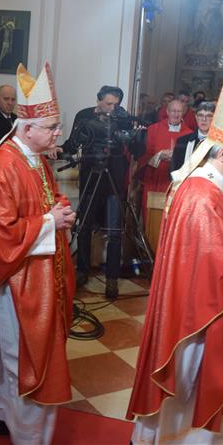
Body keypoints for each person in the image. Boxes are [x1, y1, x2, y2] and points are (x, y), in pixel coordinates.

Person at [128, 77, 223, 445]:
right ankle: (187, 439)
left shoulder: (201, 187)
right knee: (192, 375)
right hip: (195, 312)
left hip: (191, 299)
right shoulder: (204, 196)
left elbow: (209, 247)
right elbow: (219, 261)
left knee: (201, 374)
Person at [0, 62, 76, 443]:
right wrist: (48, 222)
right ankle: (24, 430)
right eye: (52, 127)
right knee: (16, 353)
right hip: (14, 278)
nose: (58, 133)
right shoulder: (1, 166)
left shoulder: (36, 159)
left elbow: (45, 197)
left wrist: (60, 209)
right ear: (26, 128)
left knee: (12, 352)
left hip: (37, 271)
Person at [62, 86, 144, 298]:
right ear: (98, 100)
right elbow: (72, 144)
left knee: (115, 231)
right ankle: (82, 271)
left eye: (115, 105)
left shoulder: (123, 117)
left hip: (114, 180)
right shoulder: (84, 115)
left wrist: (135, 134)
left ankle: (112, 279)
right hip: (91, 175)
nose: (111, 109)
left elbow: (138, 151)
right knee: (85, 226)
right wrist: (59, 149)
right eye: (108, 104)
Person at [139, 99, 192, 218]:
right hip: (155, 179)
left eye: (179, 111)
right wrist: (159, 155)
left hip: (175, 182)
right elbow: (145, 155)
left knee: (172, 215)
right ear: (167, 111)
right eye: (173, 111)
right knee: (152, 215)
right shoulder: (153, 129)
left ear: (183, 113)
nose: (176, 114)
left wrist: (177, 157)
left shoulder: (189, 133)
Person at [170, 101, 215, 172]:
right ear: (196, 117)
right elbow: (173, 169)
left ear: (214, 119)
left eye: (209, 116)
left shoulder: (220, 144)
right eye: (200, 115)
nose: (204, 119)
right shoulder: (182, 141)